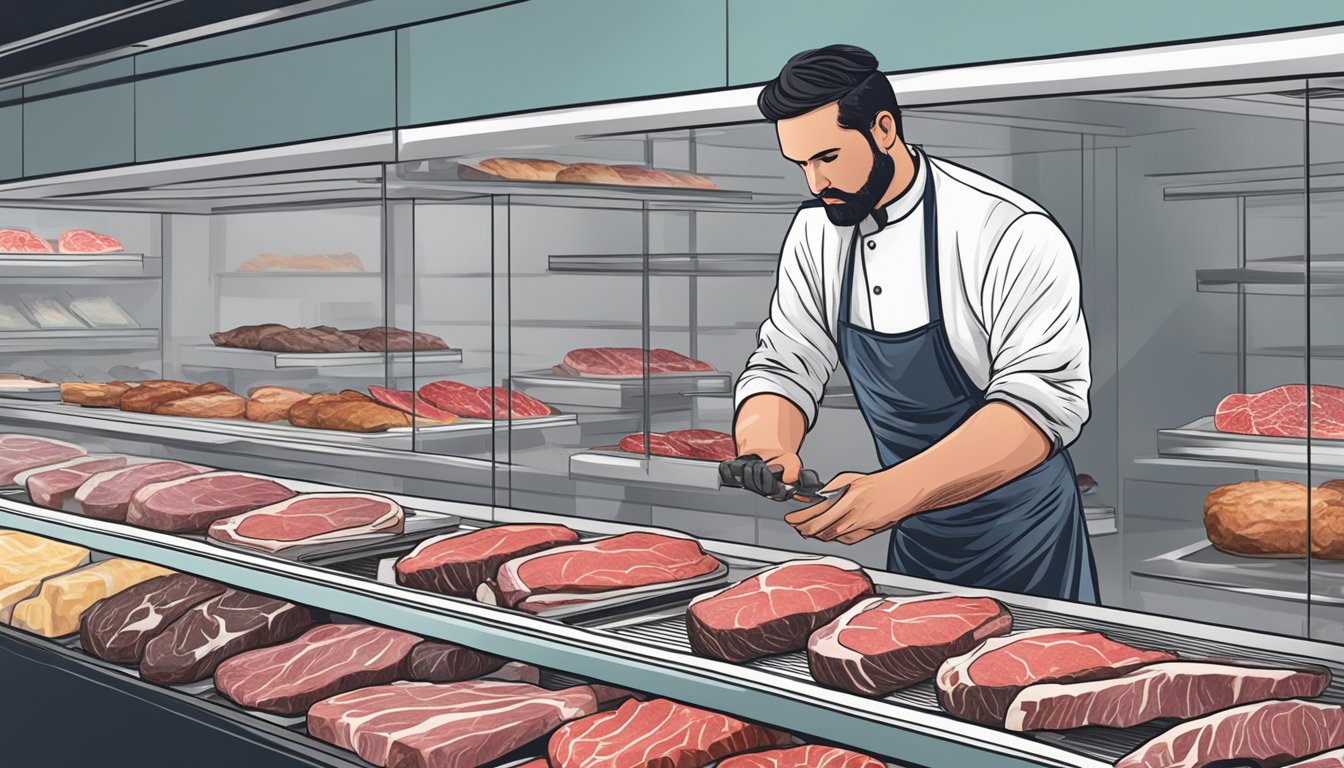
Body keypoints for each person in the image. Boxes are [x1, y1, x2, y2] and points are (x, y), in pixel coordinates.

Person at [731, 44, 1098, 603]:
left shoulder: (1006, 229)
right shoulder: (816, 232)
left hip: (1027, 543)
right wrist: (767, 445)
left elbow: (1040, 404)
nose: (813, 182)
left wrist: (895, 491)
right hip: (917, 538)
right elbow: (786, 362)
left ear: (883, 129)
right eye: (800, 164)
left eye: (827, 157)